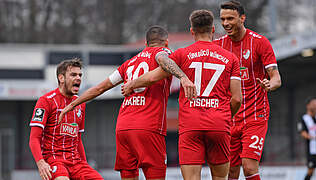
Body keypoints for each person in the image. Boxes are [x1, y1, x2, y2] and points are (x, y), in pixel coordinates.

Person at [58, 25, 196, 180]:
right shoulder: (163, 52)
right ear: (166, 43)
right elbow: (162, 60)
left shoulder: (129, 63)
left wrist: (72, 104)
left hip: (123, 128)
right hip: (148, 127)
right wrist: (183, 77)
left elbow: (100, 88)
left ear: (145, 43)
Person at [122, 9, 242, 180]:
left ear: (192, 31)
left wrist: (132, 84)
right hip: (219, 124)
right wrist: (223, 116)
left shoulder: (181, 54)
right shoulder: (231, 58)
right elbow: (237, 98)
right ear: (213, 30)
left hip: (190, 124)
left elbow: (152, 77)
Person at [214, 1, 282, 180]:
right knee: (231, 171)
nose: (226, 23)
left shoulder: (260, 42)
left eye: (230, 18)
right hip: (229, 117)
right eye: (222, 19)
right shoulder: (218, 46)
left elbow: (276, 77)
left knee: (249, 167)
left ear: (242, 18)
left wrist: (270, 84)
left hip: (255, 115)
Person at [29, 59, 103, 180]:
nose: (78, 78)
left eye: (80, 75)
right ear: (61, 78)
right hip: (54, 160)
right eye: (73, 75)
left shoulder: (80, 103)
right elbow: (34, 138)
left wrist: (85, 165)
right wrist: (41, 163)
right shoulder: (46, 101)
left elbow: (78, 139)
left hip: (75, 162)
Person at [297, 97, 316, 180]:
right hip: (312, 150)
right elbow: (302, 132)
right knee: (311, 171)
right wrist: (314, 137)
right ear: (308, 106)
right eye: (314, 104)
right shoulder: (304, 118)